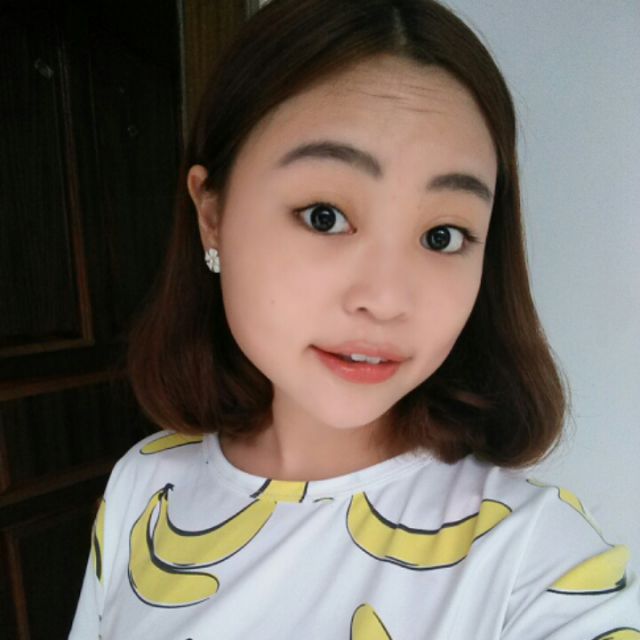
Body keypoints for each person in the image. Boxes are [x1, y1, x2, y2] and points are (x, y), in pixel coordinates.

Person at [69, 0, 640, 637]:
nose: (387, 299)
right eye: (325, 216)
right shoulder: (146, 486)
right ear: (212, 216)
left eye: (444, 235)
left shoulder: (532, 557)